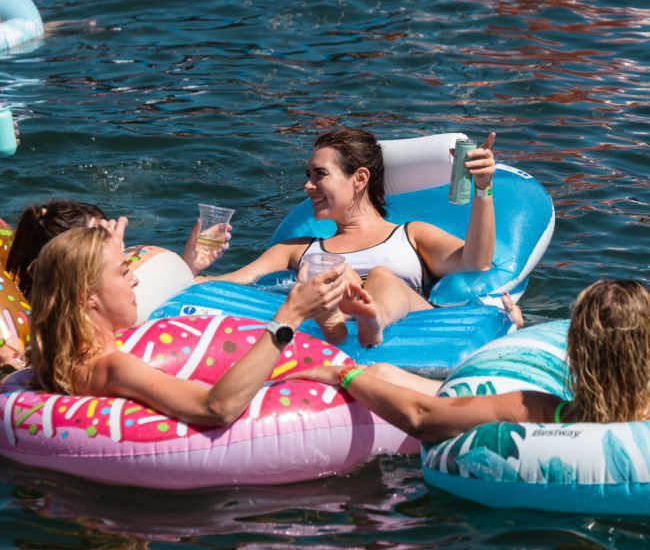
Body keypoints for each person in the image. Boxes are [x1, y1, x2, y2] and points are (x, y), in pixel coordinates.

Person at [200, 126, 506, 346]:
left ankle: (370, 316)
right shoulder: (296, 250)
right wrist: (190, 265)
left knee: (382, 277)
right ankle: (339, 316)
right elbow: (232, 282)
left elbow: (476, 262)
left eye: (319, 175)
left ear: (359, 178)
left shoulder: (410, 235)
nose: (308, 186)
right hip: (335, 315)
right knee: (337, 273)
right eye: (308, 175)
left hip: (406, 321)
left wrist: (483, 188)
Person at [28, 225, 346, 425]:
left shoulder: (58, 359)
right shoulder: (112, 367)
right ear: (88, 296)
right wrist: (288, 317)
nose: (136, 279)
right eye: (124, 272)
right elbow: (216, 409)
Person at [288, 279, 650, 442]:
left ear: (576, 349)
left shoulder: (540, 409)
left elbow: (421, 418)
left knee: (383, 374)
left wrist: (345, 375)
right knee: (387, 373)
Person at [5, 199, 230, 301]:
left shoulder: (109, 292)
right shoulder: (69, 316)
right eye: (104, 235)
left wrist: (190, 264)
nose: (118, 239)